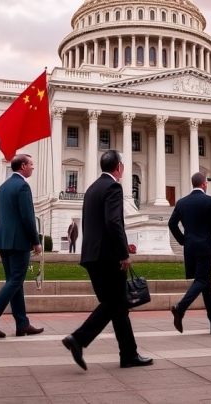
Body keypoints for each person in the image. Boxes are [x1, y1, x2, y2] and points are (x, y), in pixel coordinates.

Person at [62, 150, 152, 370]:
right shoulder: (113, 187)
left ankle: (129, 354)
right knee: (114, 303)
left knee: (117, 306)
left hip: (92, 256)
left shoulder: (92, 188)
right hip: (108, 257)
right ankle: (79, 338)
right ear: (119, 167)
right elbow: (114, 222)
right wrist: (123, 254)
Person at [0, 154, 43, 338]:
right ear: (23, 166)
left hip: (3, 239)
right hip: (19, 241)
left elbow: (0, 213)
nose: (32, 167)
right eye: (31, 164)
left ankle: (22, 324)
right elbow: (28, 217)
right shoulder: (23, 186)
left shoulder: (3, 187)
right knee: (15, 280)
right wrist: (36, 241)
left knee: (14, 282)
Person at [169, 172, 211, 334]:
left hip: (190, 248)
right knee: (202, 280)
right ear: (203, 184)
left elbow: (171, 224)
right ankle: (180, 307)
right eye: (206, 183)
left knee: (206, 283)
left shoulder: (182, 202)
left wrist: (183, 240)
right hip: (206, 247)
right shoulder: (210, 201)